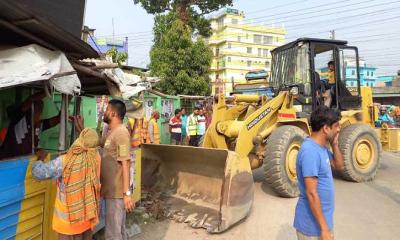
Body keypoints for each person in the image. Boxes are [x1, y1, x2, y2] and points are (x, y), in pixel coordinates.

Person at [32, 128, 101, 240]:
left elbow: (38, 173)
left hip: (67, 226)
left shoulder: (65, 161)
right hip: (87, 222)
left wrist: (40, 159)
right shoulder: (96, 158)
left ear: (80, 140)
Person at [294, 106, 344, 240]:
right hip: (313, 228)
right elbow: (311, 193)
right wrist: (324, 229)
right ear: (326, 129)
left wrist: (335, 144)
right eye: (336, 126)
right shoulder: (310, 152)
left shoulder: (321, 148)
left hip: (322, 223)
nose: (339, 129)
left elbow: (339, 165)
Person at [100, 99, 134, 240]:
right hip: (110, 191)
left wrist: (126, 193)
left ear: (113, 113)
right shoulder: (111, 132)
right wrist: (80, 128)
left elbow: (125, 163)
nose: (104, 112)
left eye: (107, 110)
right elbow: (100, 144)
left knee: (113, 234)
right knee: (117, 230)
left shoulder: (121, 133)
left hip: (117, 193)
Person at [0, 91, 60, 159]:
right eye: (38, 108)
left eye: (41, 109)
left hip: (23, 163)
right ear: (31, 109)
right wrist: (49, 91)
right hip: (6, 162)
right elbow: (31, 99)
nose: (40, 112)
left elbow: (57, 119)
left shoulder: (38, 125)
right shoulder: (18, 119)